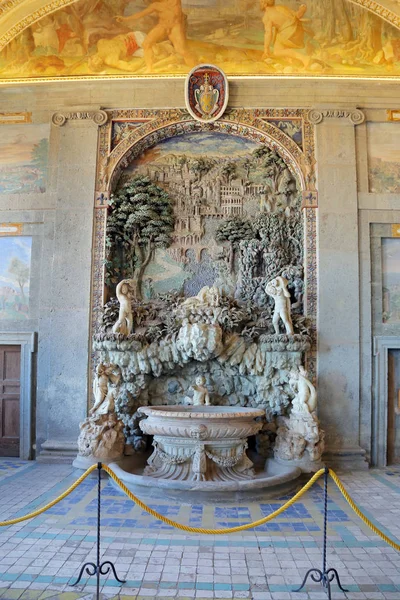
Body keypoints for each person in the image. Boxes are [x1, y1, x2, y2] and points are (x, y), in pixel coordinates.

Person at [115, 0, 196, 73]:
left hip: (175, 27)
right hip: (162, 26)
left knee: (181, 50)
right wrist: (125, 19)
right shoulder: (156, 5)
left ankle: (196, 68)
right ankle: (150, 69)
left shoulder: (175, 1)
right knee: (146, 44)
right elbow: (140, 14)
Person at [260, 0, 312, 68]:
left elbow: (268, 34)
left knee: (277, 52)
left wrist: (266, 48)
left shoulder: (267, 16)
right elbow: (297, 15)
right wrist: (302, 9)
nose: (260, 4)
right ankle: (290, 60)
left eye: (260, 2)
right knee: (280, 41)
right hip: (298, 33)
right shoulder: (281, 8)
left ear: (265, 3)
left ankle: (304, 58)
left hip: (289, 35)